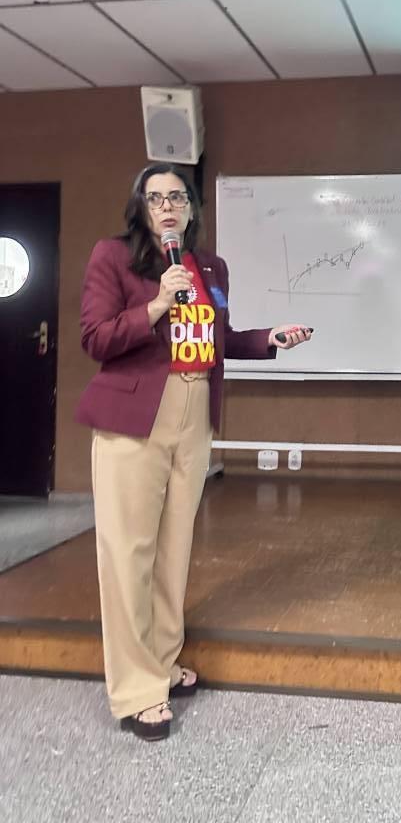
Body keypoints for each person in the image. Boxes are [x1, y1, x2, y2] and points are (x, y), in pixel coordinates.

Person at [76, 163, 311, 741]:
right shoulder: (113, 257)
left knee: (173, 551)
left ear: (191, 208)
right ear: (141, 207)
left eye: (177, 197)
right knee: (129, 553)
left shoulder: (209, 266)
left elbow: (216, 338)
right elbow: (96, 338)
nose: (167, 207)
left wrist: (267, 339)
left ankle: (161, 660)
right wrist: (157, 304)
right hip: (134, 418)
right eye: (156, 198)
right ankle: (136, 690)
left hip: (194, 412)